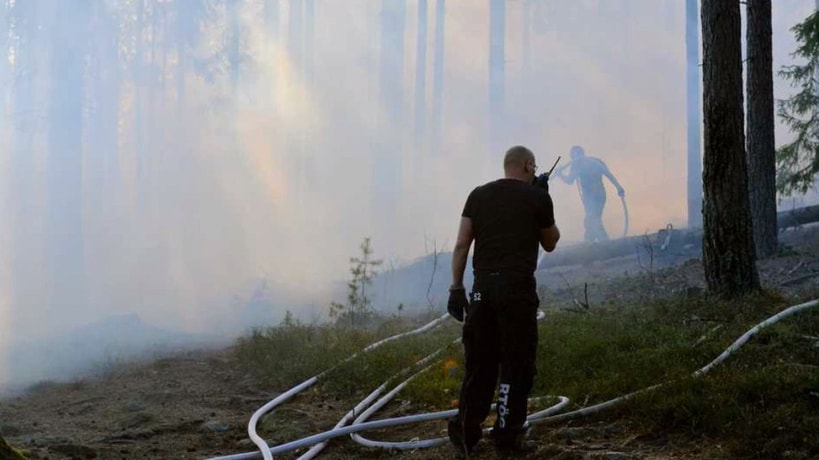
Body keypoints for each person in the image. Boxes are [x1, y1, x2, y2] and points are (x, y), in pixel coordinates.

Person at [446, 145, 560, 458]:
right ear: (528, 165)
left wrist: (456, 288)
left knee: (480, 364)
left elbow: (460, 245)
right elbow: (550, 243)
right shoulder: (538, 197)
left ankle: (466, 433)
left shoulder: (478, 195)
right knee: (516, 364)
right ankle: (507, 439)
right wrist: (542, 200)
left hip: (482, 292)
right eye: (533, 167)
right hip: (517, 292)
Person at [554, 145, 625, 242]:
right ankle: (592, 241)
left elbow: (608, 174)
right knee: (593, 219)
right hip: (590, 198)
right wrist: (560, 174)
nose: (577, 157)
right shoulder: (578, 165)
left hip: (598, 195)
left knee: (592, 219)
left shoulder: (593, 162)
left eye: (578, 154)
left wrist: (619, 188)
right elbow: (570, 180)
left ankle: (600, 241)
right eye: (575, 155)